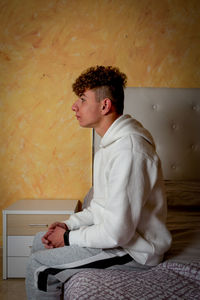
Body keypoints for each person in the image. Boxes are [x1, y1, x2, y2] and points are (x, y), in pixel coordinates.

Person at [26, 66, 172, 299]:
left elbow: (118, 233)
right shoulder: (108, 145)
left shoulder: (129, 151)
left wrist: (66, 239)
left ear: (104, 106)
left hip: (135, 251)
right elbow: (100, 208)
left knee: (39, 266)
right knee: (38, 242)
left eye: (83, 99)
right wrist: (68, 225)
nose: (75, 106)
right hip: (119, 239)